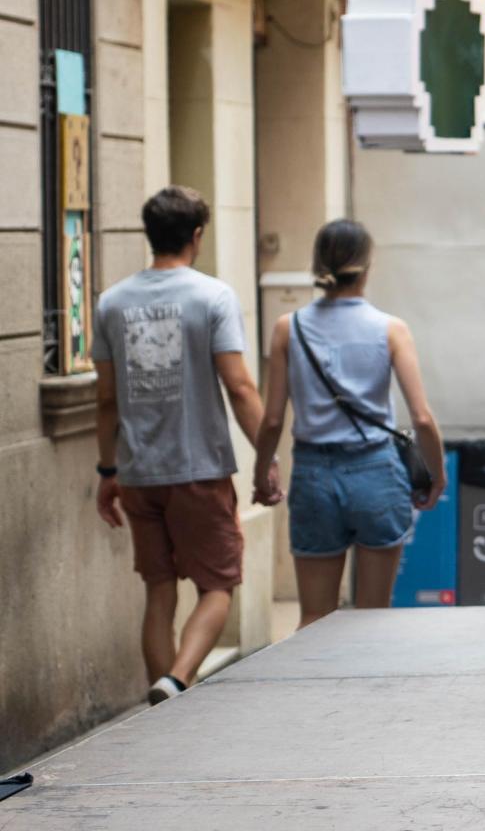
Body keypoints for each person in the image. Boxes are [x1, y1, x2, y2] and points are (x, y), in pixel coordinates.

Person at [91, 186, 279, 705]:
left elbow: (105, 400)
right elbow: (240, 387)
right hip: (199, 470)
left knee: (158, 589)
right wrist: (267, 461)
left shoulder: (111, 303)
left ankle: (165, 702)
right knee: (217, 586)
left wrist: (108, 471)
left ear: (149, 235)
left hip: (137, 472)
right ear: (197, 236)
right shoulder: (212, 297)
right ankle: (177, 680)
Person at [251, 219, 447, 628]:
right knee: (374, 619)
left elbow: (271, 419)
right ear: (367, 265)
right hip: (375, 472)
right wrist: (437, 475)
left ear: (317, 265)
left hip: (313, 474)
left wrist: (261, 473)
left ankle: (308, 692)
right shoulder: (391, 329)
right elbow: (423, 419)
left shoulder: (290, 329)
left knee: (314, 616)